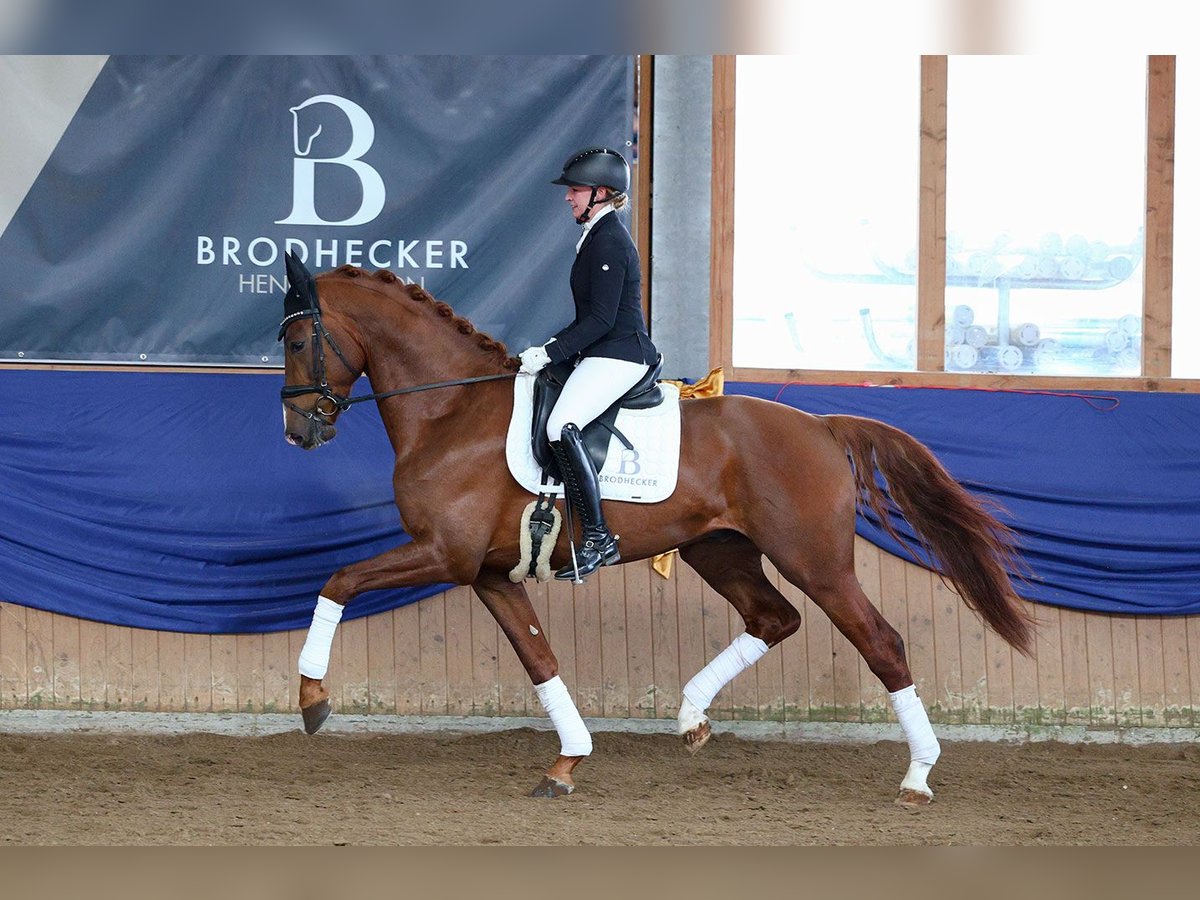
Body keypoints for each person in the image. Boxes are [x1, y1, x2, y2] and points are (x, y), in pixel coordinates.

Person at [518, 146, 658, 581]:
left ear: (601, 193)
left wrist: (550, 352)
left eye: (575, 190)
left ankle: (598, 536)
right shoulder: (597, 235)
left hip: (620, 353)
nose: (568, 198)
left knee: (561, 425)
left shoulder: (610, 240)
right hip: (600, 348)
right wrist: (550, 350)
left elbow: (600, 319)